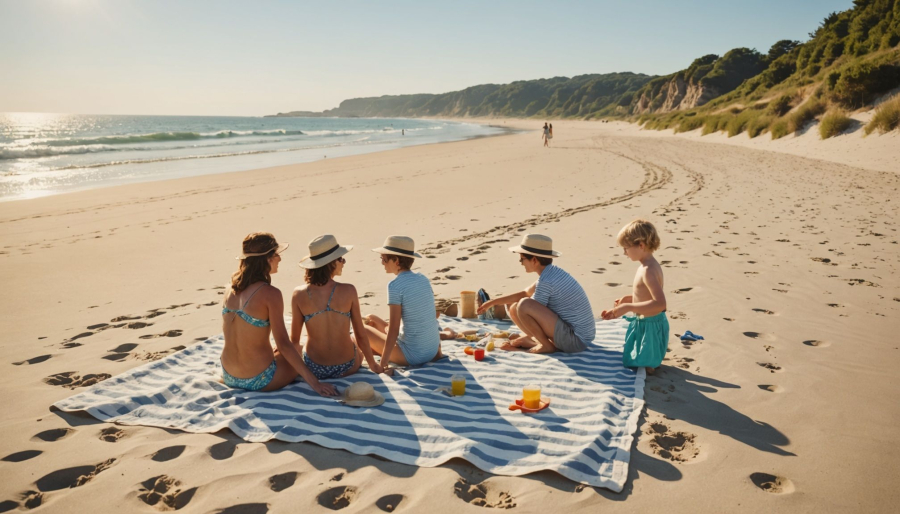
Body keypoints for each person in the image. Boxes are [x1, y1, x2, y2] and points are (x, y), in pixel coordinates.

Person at [220, 232, 337, 396]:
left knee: (279, 351)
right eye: (276, 254)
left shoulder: (229, 290)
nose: (279, 259)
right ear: (266, 259)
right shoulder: (270, 294)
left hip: (229, 375)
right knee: (296, 349)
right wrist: (315, 384)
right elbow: (283, 344)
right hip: (260, 379)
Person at [477, 234, 595, 354]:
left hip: (575, 340)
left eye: (522, 259)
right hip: (576, 336)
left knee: (523, 305)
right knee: (514, 306)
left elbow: (527, 307)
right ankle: (539, 341)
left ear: (534, 260)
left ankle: (545, 345)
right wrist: (492, 302)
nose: (520, 262)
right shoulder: (551, 273)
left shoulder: (546, 281)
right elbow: (525, 293)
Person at [292, 235, 384, 380]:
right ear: (330, 263)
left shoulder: (298, 294)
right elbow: (361, 335)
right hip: (348, 367)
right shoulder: (349, 290)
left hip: (315, 369)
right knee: (353, 337)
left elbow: (294, 341)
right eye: (341, 259)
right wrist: (373, 365)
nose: (344, 262)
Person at [364, 236, 442, 368]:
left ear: (396, 260)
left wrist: (383, 362)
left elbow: (394, 329)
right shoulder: (423, 279)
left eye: (384, 259)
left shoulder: (395, 286)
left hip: (414, 355)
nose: (382, 263)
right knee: (372, 318)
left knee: (363, 331)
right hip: (433, 350)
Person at [601, 220, 668, 373]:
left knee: (638, 363)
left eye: (626, 248)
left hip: (649, 325)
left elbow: (660, 304)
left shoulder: (648, 270)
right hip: (645, 322)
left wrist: (628, 307)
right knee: (633, 359)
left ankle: (651, 362)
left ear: (641, 245)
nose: (624, 252)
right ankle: (650, 360)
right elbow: (646, 295)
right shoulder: (646, 265)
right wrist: (628, 299)